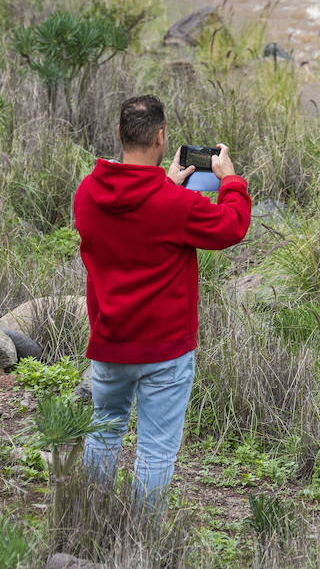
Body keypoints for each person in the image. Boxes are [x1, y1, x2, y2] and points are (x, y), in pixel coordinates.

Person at [73, 94, 251, 508]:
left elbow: (132, 222)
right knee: (155, 451)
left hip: (110, 343)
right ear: (160, 137)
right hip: (165, 351)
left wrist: (165, 184)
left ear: (119, 134)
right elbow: (232, 225)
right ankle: (143, 535)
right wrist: (230, 180)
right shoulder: (177, 206)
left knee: (103, 433)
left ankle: (89, 518)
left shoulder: (87, 193)